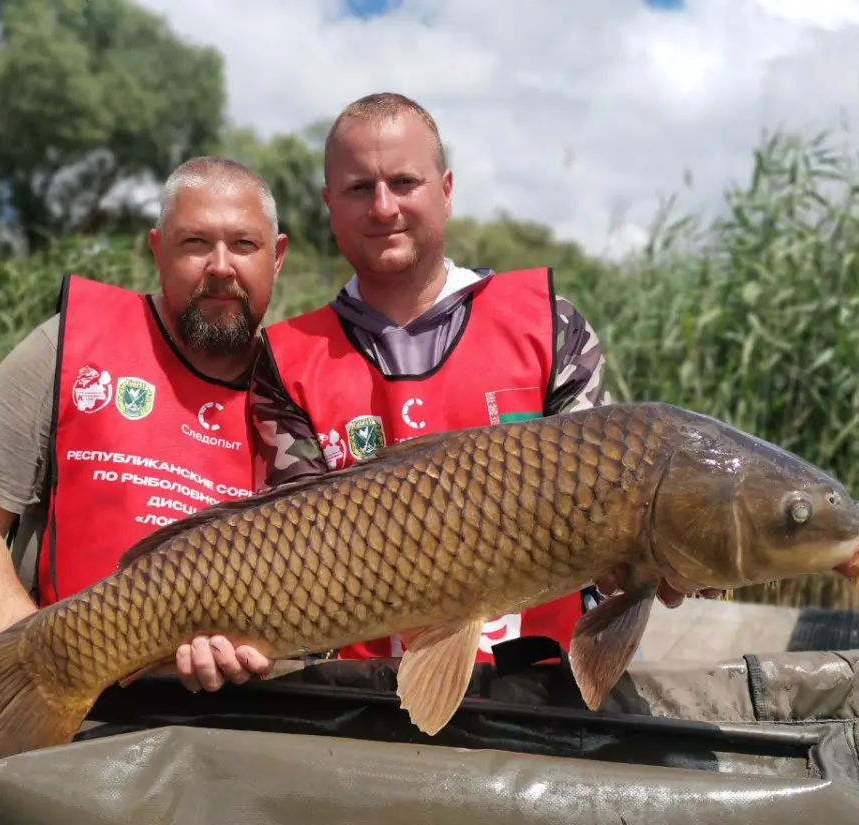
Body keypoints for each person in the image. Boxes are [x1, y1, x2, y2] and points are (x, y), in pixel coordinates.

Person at [243, 92, 608, 666]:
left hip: (544, 689)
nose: (383, 207)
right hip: (364, 706)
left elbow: (608, 518)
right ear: (329, 204)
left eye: (405, 182)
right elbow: (294, 571)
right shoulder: (286, 362)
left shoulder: (549, 324)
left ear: (446, 190)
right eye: (359, 188)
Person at [0, 156, 285, 691]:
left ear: (276, 258)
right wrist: (32, 653)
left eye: (244, 245)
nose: (220, 266)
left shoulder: (297, 390)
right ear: (157, 250)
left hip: (235, 703)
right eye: (194, 243)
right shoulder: (68, 346)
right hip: (65, 684)